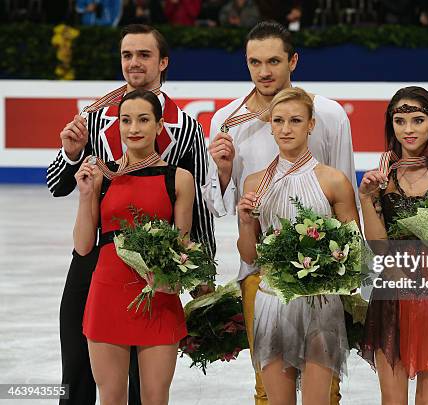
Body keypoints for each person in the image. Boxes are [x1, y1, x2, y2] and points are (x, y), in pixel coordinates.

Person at [46, 24, 216, 405]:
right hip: (96, 258)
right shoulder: (95, 117)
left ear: (163, 61)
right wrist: (73, 154)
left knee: (144, 378)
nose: (134, 63)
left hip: (153, 264)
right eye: (127, 55)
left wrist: (202, 271)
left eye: (144, 55)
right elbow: (57, 183)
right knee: (75, 364)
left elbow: (196, 205)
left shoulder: (185, 124)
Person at [203, 20, 356, 405]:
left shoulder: (329, 114)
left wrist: (347, 270)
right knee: (266, 389)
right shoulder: (227, 120)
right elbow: (219, 205)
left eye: (273, 61)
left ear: (294, 61)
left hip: (322, 275)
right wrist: (222, 173)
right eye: (255, 62)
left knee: (327, 386)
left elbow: (343, 190)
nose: (264, 71)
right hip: (259, 273)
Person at [236, 87, 358, 405]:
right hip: (271, 301)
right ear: (271, 126)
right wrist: (247, 221)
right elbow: (250, 256)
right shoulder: (253, 183)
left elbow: (355, 250)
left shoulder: (334, 181)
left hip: (320, 304)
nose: (286, 128)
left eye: (295, 120)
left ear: (311, 125)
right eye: (278, 120)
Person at [74, 89, 190, 404]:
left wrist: (173, 281)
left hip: (158, 297)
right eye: (126, 120)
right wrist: (86, 195)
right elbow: (84, 246)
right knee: (111, 398)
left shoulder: (178, 179)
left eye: (143, 119)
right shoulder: (103, 176)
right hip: (108, 293)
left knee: (155, 398)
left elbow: (182, 247)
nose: (133, 128)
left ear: (159, 125)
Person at [358, 86, 428, 405]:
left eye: (418, 120)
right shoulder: (380, 182)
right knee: (392, 401)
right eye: (400, 121)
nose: (408, 129)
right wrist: (366, 197)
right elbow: (378, 246)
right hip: (393, 296)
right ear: (391, 125)